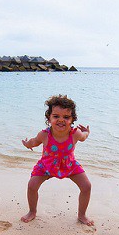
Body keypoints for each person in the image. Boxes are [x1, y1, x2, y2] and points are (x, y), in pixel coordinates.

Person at [21, 95, 93, 226]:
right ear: (49, 118)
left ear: (72, 120)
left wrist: (87, 132)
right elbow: (34, 141)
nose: (61, 120)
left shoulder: (75, 133)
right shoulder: (44, 135)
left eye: (66, 117)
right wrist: (27, 144)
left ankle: (82, 215)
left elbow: (83, 137)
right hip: (46, 166)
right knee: (32, 186)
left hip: (69, 165)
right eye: (56, 116)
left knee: (86, 186)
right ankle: (32, 211)